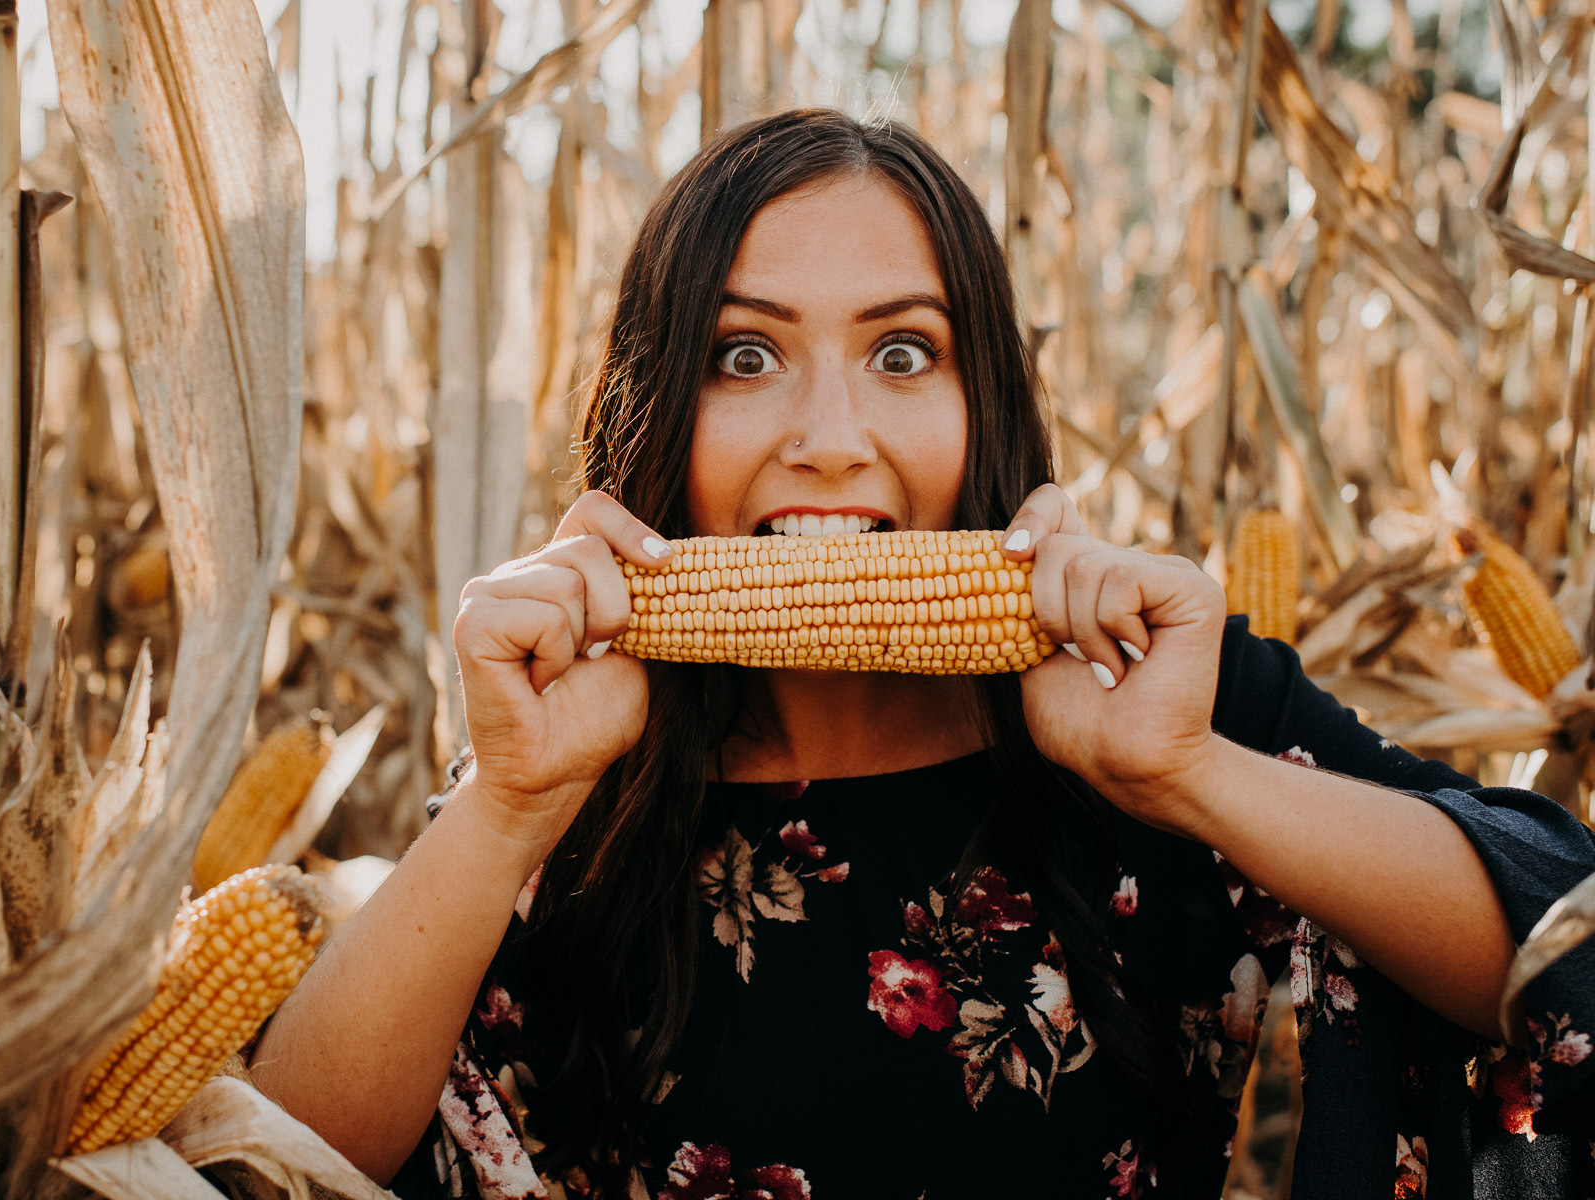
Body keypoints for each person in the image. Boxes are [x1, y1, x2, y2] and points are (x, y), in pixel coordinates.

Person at [251, 109, 1595, 1198]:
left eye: (903, 352)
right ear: (654, 406)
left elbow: (1558, 956)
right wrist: (505, 807)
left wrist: (1191, 777)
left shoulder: (1160, 699)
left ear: (987, 399)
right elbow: (277, 1165)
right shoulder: (575, 757)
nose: (831, 435)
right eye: (742, 354)